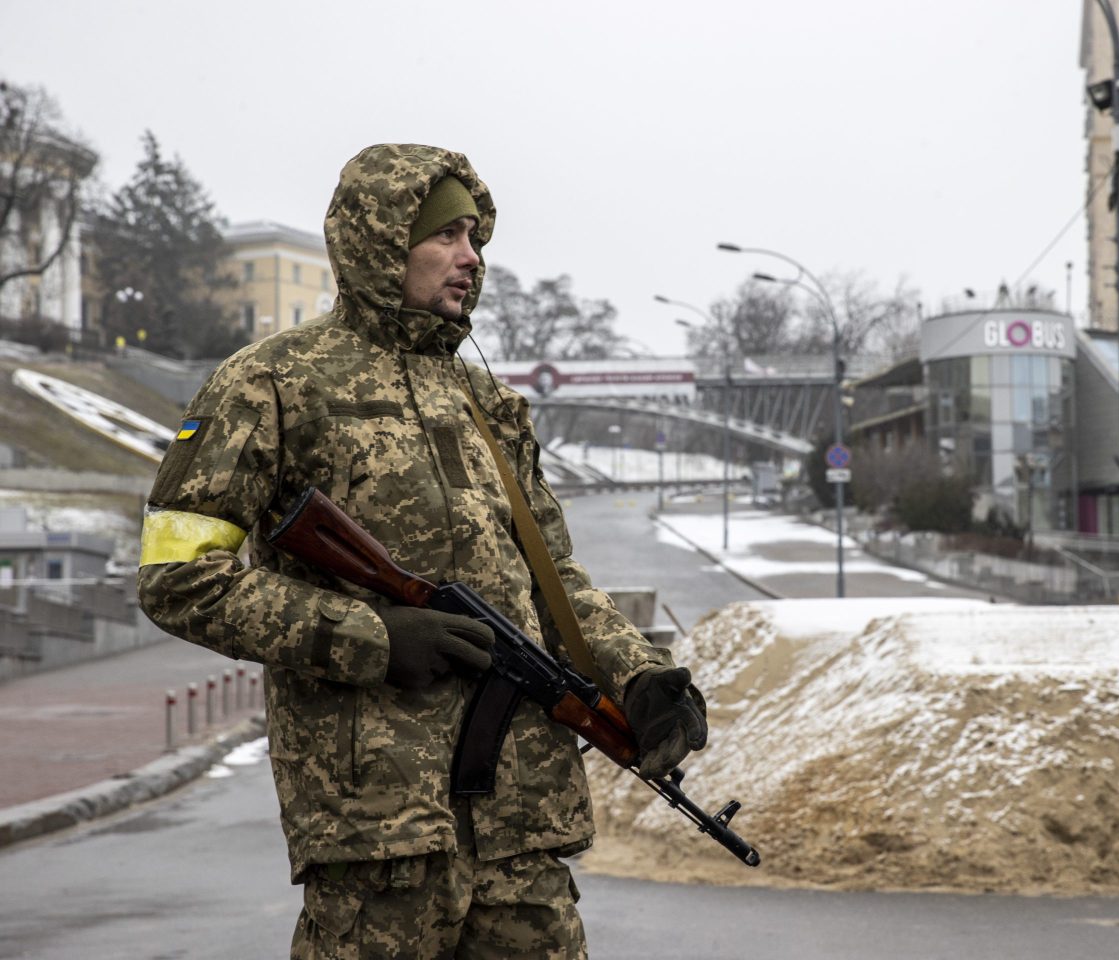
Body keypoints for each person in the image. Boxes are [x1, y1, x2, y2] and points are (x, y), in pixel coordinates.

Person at [136, 143, 708, 959]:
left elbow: (553, 581)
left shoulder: (490, 403)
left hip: (522, 830)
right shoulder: (272, 383)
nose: (470, 259)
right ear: (381, 240)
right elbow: (178, 577)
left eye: (476, 239)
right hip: (378, 833)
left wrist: (637, 674)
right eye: (447, 236)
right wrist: (370, 639)